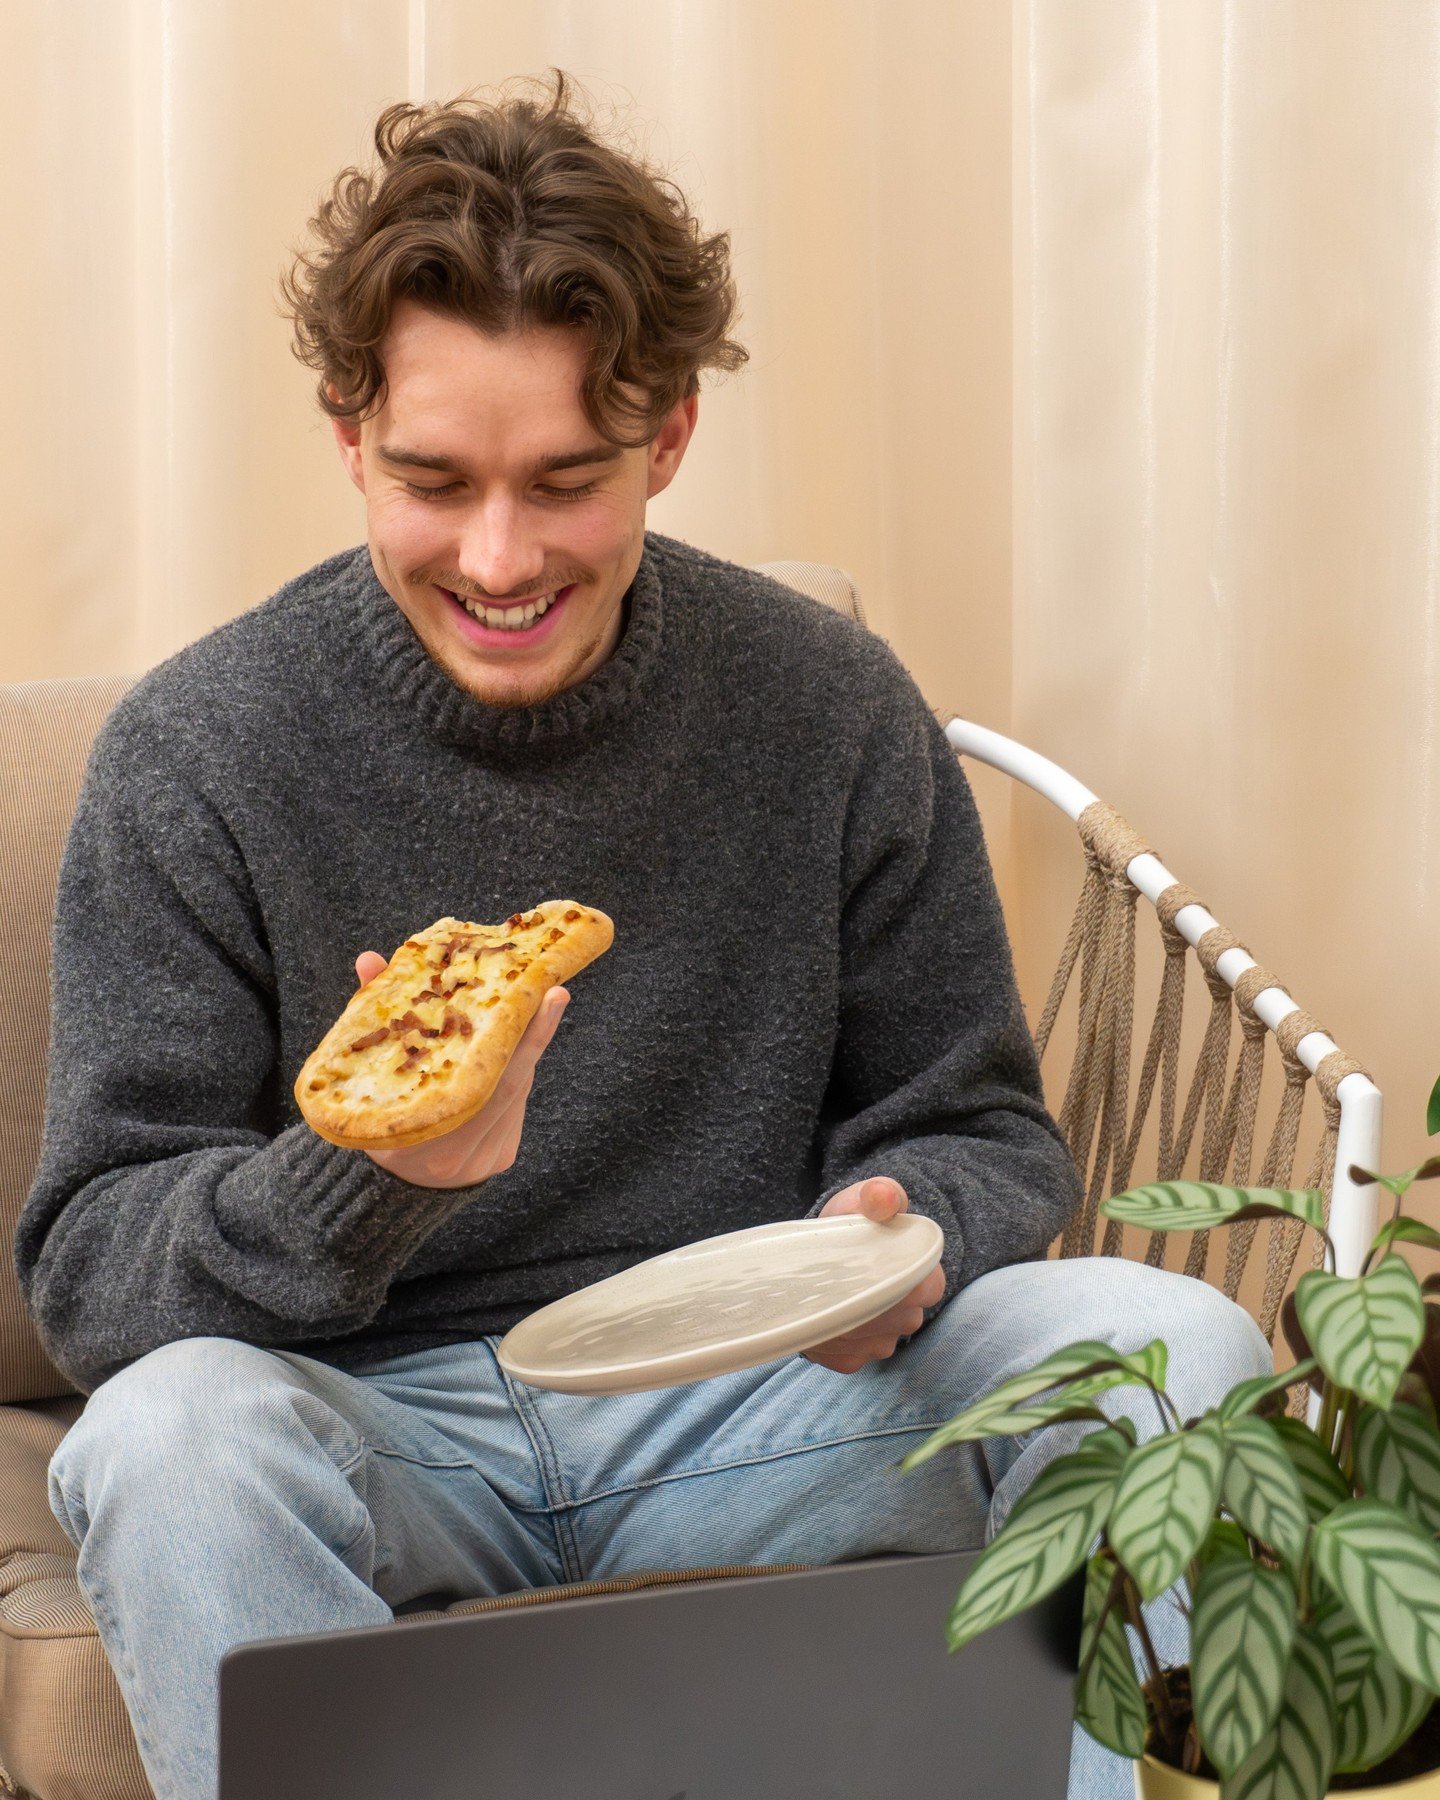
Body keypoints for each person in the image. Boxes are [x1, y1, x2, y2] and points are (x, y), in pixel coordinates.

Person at [16, 69, 1270, 1800]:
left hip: (764, 1403)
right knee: (170, 1441)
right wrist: (379, 1166)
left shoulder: (824, 704)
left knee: (1173, 1341)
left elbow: (976, 1127)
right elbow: (93, 1277)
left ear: (667, 434)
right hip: (385, 1434)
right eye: (433, 479)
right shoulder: (201, 754)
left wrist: (891, 1243)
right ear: (346, 434)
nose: (499, 553)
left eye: (567, 480)